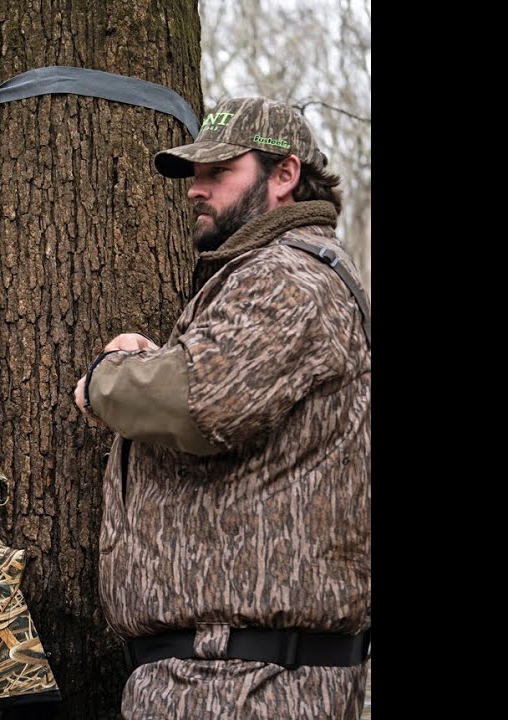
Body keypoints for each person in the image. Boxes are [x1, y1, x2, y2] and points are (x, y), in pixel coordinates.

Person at [73, 96, 370, 719]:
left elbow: (194, 403)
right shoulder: (269, 276)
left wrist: (110, 377)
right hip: (221, 676)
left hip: (246, 685)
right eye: (194, 175)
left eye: (218, 172)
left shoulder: (287, 277)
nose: (195, 191)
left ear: (283, 175)